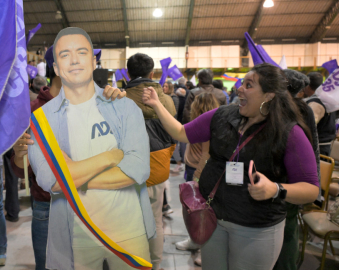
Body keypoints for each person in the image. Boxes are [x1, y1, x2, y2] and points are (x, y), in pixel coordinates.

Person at [143, 63, 319, 270]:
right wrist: (156, 104)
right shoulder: (223, 115)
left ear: (269, 95)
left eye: (249, 85)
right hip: (214, 220)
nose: (239, 88)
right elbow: (182, 132)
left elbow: (311, 189)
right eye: (242, 83)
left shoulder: (289, 132)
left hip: (255, 229)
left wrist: (275, 189)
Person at [28, 27, 153, 270]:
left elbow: (137, 169)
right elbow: (48, 180)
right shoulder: (42, 120)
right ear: (55, 68)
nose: (74, 60)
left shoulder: (124, 107)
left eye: (81, 52)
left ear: (94, 61)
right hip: (76, 235)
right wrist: (112, 156)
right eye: (65, 55)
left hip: (129, 231)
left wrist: (73, 176)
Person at [125, 53, 176, 270]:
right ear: (152, 73)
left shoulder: (120, 97)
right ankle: (155, 265)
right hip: (157, 167)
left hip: (127, 171)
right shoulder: (166, 99)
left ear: (128, 73)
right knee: (155, 221)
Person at [272, 69, 320, 270]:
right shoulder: (303, 108)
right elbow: (314, 146)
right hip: (292, 179)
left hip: (286, 178)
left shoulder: (282, 108)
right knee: (288, 225)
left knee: (287, 225)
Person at [175, 92, 220, 266]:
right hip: (193, 169)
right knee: (193, 209)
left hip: (199, 171)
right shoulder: (204, 123)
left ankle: (203, 248)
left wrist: (198, 175)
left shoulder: (206, 126)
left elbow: (206, 154)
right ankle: (195, 241)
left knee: (201, 211)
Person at [303, 72, 336, 156]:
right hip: (324, 146)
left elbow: (310, 125)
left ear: (307, 85)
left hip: (317, 149)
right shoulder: (328, 100)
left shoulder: (315, 103)